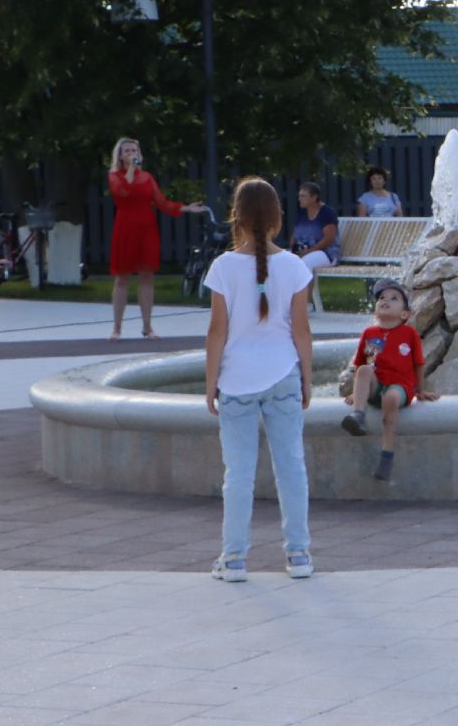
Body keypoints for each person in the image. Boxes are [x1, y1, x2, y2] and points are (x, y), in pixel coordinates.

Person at [202, 176, 314, 583]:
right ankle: (298, 555)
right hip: (283, 372)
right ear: (277, 218)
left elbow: (218, 332)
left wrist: (210, 382)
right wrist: (306, 378)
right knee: (291, 467)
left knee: (239, 474)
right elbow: (301, 331)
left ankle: (233, 559)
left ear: (237, 217)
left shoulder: (223, 267)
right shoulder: (295, 266)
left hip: (236, 380)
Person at [107, 137, 206, 340]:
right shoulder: (115, 176)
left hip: (147, 229)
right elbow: (123, 191)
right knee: (122, 278)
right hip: (125, 228)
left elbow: (160, 201)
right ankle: (117, 328)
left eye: (134, 150)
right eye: (126, 151)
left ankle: (147, 327)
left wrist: (185, 208)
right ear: (120, 156)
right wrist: (132, 170)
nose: (131, 153)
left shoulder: (147, 177)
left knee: (147, 276)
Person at [342, 278, 436, 481]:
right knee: (365, 370)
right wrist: (357, 392)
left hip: (400, 386)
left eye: (394, 298)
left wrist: (419, 390)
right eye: (382, 298)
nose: (386, 300)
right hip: (378, 385)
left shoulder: (408, 333)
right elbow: (364, 364)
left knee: (391, 399)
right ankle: (357, 416)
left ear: (405, 314)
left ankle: (387, 454)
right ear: (375, 309)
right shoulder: (370, 334)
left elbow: (418, 363)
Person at [290, 182, 339, 282]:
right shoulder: (302, 213)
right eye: (299, 196)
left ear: (314, 197)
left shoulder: (327, 213)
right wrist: (293, 251)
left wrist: (308, 251)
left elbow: (329, 239)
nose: (299, 199)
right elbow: (294, 236)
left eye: (303, 196)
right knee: (282, 261)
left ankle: (304, 297)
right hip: (303, 251)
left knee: (304, 264)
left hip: (325, 253)